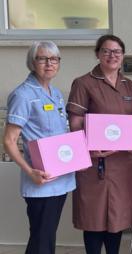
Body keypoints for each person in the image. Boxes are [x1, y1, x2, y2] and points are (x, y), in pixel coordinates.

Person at [66, 35, 132, 254]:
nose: (112, 56)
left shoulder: (130, 86)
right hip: (94, 162)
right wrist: (88, 147)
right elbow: (75, 121)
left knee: (116, 218)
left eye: (117, 51)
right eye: (106, 51)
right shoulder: (83, 83)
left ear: (123, 55)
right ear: (98, 54)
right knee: (93, 217)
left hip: (123, 164)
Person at [3, 41, 75, 254]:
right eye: (42, 58)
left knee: (45, 236)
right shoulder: (23, 95)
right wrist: (30, 172)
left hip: (60, 179)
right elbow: (8, 141)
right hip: (40, 180)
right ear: (32, 62)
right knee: (41, 240)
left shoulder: (55, 94)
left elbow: (60, 135)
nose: (49, 63)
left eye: (54, 59)